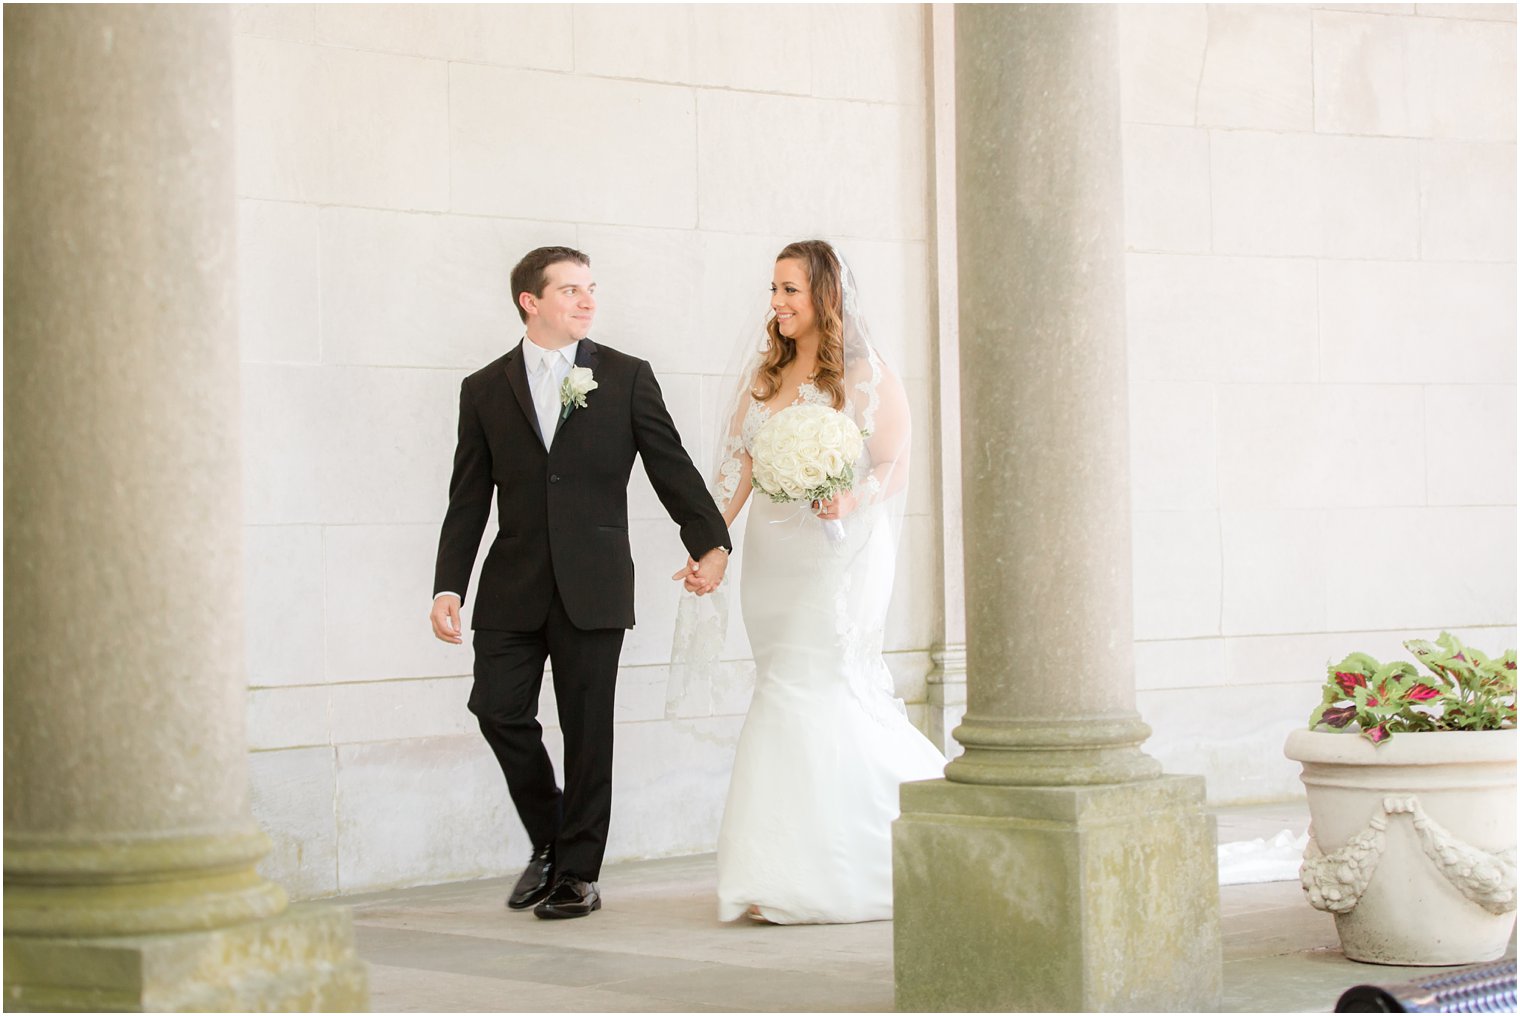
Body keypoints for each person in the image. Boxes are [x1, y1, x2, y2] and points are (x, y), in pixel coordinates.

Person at [431, 246, 730, 920]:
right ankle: (551, 837)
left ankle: (577, 874)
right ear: (529, 302)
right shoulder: (483, 388)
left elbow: (669, 464)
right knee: (497, 709)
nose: (586, 301)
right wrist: (449, 585)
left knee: (588, 729)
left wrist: (709, 541)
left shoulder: (624, 377)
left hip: (593, 583)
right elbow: (468, 497)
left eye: (590, 288)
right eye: (569, 290)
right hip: (510, 585)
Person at [673, 240, 947, 924]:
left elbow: (892, 462)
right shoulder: (767, 375)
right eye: (773, 289)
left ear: (824, 294)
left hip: (840, 554)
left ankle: (903, 845)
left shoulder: (864, 374)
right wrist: (714, 546)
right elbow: (737, 467)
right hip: (774, 555)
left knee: (822, 684)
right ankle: (777, 871)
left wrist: (849, 499)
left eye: (790, 290)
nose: (776, 303)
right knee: (781, 686)